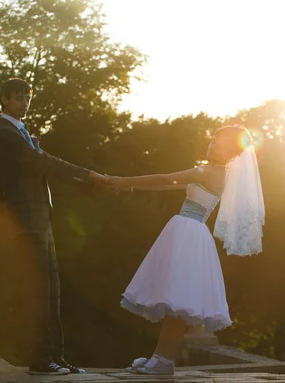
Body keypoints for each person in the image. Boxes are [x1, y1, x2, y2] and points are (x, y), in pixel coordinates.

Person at [107, 125, 265, 375]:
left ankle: (163, 360)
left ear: (232, 154)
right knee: (173, 298)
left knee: (176, 299)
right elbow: (166, 184)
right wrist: (128, 187)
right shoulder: (213, 173)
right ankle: (160, 357)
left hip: (189, 233)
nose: (212, 146)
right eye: (212, 141)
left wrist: (120, 180)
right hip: (188, 232)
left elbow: (163, 178)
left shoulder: (210, 172)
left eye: (219, 145)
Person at [0, 78, 107, 375]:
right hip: (25, 220)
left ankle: (57, 356)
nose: (24, 103)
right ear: (3, 99)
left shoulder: (22, 132)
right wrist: (88, 175)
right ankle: (41, 360)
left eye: (27, 98)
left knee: (53, 292)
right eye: (18, 98)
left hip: (41, 221)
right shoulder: (4, 134)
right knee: (40, 292)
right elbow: (43, 163)